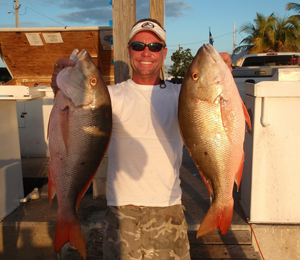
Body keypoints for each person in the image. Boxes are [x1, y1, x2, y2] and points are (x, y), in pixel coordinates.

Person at [51, 18, 232, 260]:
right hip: (121, 213)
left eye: (155, 47)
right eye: (139, 46)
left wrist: (225, 74)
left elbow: (218, 110)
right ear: (129, 51)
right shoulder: (109, 97)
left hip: (169, 209)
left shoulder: (184, 95)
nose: (146, 52)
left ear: (164, 53)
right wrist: (58, 88)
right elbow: (76, 116)